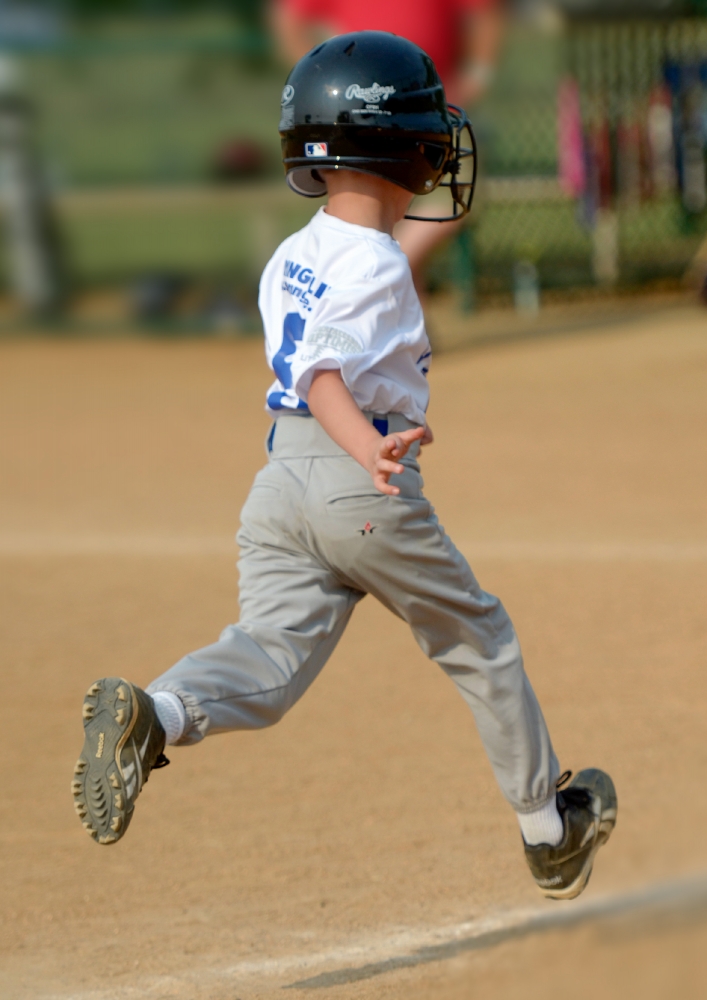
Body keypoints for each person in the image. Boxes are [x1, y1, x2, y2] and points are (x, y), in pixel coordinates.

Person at [71, 32, 616, 901]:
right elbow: (324, 372)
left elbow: (300, 363)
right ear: (400, 146)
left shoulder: (292, 252)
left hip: (278, 482)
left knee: (266, 656)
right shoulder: (377, 262)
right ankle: (549, 829)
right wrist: (368, 448)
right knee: (479, 639)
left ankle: (158, 712)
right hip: (358, 481)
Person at [270, 0, 506, 294]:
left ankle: (403, 317)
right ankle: (379, 282)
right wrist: (323, 81)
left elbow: (484, 13)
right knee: (387, 218)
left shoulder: (284, 260)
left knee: (400, 216)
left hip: (429, 112)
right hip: (361, 119)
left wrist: (476, 76)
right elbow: (290, 18)